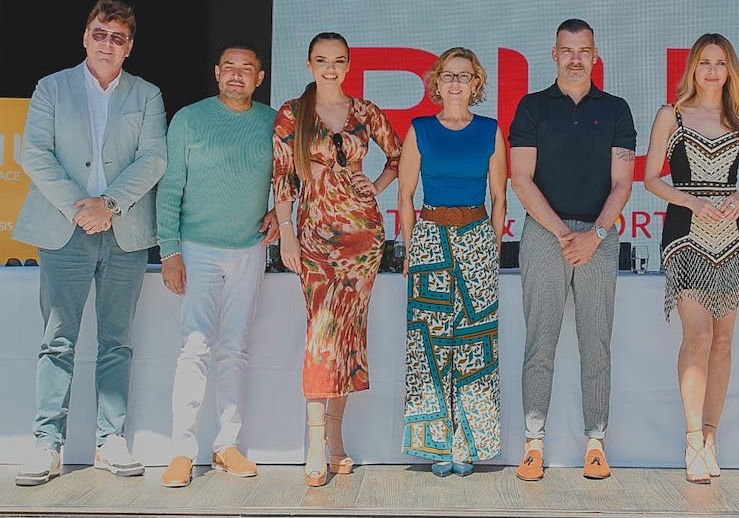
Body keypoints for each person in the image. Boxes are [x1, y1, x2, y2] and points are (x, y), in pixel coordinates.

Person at [13, 0, 168, 486]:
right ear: (85, 37)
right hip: (66, 231)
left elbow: (153, 159)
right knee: (56, 340)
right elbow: (35, 154)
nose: (107, 43)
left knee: (116, 341)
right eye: (99, 33)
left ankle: (109, 441)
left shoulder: (146, 95)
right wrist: (82, 208)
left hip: (123, 233)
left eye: (117, 37)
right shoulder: (51, 88)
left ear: (129, 48)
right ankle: (46, 445)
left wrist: (111, 206)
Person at [508, 19, 636, 481]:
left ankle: (596, 442)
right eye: (568, 50)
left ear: (595, 54)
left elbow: (623, 181)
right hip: (546, 234)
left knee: (595, 342)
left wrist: (596, 234)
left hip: (600, 236)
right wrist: (565, 234)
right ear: (555, 53)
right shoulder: (532, 107)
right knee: (540, 340)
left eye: (584, 51)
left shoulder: (617, 109)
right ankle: (533, 443)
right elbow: (520, 178)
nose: (576, 59)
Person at [272, 32, 402, 487]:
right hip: (313, 235)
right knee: (321, 333)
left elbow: (401, 156)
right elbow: (284, 178)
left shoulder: (365, 113)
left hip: (363, 236)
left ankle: (337, 439)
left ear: (349, 65)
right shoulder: (293, 113)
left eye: (339, 61)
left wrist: (378, 187)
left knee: (349, 333)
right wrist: (286, 233)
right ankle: (313, 444)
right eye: (322, 60)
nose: (330, 68)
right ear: (309, 63)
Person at [154, 41, 280, 487]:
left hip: (249, 249)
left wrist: (280, 214)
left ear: (259, 78)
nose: (237, 75)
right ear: (216, 72)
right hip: (197, 248)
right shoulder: (190, 119)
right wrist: (169, 250)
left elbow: (296, 177)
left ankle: (226, 446)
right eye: (230, 67)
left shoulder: (273, 122)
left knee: (236, 348)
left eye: (247, 69)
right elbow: (170, 189)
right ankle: (181, 451)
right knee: (194, 347)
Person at [642, 33, 739, 484]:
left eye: (720, 62)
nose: (712, 70)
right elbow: (652, 179)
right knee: (697, 337)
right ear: (693, 67)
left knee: (724, 341)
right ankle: (693, 440)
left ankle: (712, 438)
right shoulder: (671, 115)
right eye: (705, 62)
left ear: (730, 69)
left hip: (733, 236)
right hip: (686, 234)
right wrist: (693, 202)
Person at [397, 47, 508, 477]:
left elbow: (500, 198)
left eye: (465, 76)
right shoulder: (419, 129)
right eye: (448, 76)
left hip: (477, 236)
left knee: (476, 341)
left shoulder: (490, 131)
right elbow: (405, 196)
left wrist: (491, 246)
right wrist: (411, 248)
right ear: (437, 83)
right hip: (429, 237)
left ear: (476, 83)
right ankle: (435, 445)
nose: (456, 83)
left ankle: (470, 444)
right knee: (429, 341)